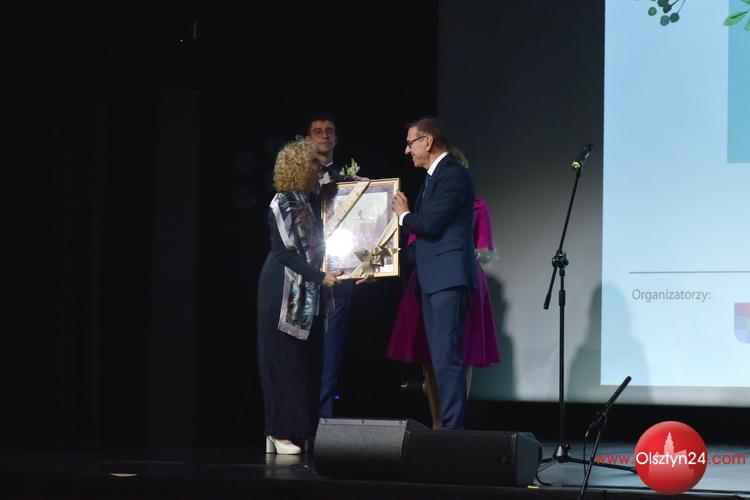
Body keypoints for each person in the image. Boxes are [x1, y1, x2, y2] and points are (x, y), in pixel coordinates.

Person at [387, 148, 500, 429]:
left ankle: (453, 425)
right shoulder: (425, 210)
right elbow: (411, 246)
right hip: (425, 279)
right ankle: (438, 423)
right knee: (428, 354)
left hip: (458, 278)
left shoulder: (476, 205)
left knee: (460, 354)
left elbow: (485, 250)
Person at [257, 137, 341, 455]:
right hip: (281, 287)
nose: (319, 168)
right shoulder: (283, 201)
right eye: (314, 163)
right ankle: (279, 432)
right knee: (281, 357)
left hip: (302, 286)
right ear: (299, 167)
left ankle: (288, 430)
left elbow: (316, 248)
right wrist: (320, 277)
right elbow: (285, 253)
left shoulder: (305, 201)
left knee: (299, 360)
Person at [391, 117, 476, 430]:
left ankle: (453, 432)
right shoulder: (433, 177)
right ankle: (447, 428)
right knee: (439, 359)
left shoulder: (453, 174)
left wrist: (404, 216)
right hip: (434, 281)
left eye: (410, 143)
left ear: (427, 141)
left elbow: (430, 224)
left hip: (447, 281)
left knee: (446, 359)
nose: (407, 150)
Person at [306, 113, 356, 419]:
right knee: (302, 348)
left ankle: (324, 423)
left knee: (333, 349)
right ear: (309, 138)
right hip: (305, 274)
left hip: (340, 272)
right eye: (318, 131)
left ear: (336, 138)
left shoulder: (349, 180)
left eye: (329, 131)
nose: (324, 135)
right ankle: (299, 421)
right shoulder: (299, 178)